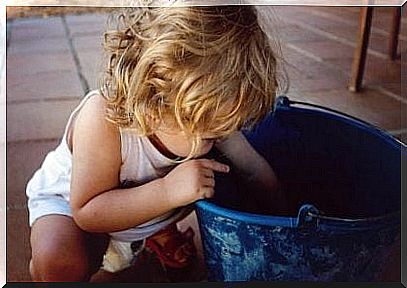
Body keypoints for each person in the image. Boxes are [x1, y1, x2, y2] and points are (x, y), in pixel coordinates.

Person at [26, 5, 287, 282]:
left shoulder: (206, 111)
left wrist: (286, 222)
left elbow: (253, 170)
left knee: (218, 179)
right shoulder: (104, 120)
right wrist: (167, 191)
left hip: (145, 212)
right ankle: (145, 234)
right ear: (153, 101)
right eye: (209, 131)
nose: (219, 136)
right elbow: (88, 212)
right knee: (62, 264)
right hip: (76, 208)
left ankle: (155, 231)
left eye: (223, 127)